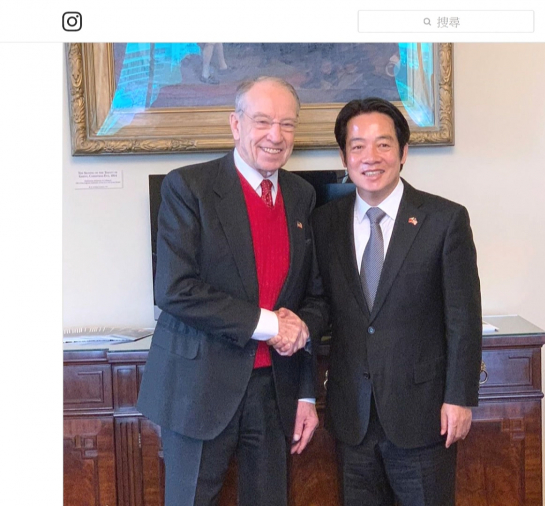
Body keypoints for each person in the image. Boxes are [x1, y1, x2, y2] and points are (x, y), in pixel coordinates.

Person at [136, 76, 327, 506]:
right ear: (236, 125)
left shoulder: (301, 195)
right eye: (263, 121)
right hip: (198, 388)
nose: (276, 135)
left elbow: (313, 298)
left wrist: (306, 389)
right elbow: (175, 289)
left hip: (273, 391)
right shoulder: (189, 187)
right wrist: (270, 325)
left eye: (287, 124)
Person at [311, 97, 482, 506]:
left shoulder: (444, 219)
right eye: (357, 146)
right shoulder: (325, 222)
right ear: (344, 157)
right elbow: (320, 301)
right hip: (352, 417)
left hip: (424, 416)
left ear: (403, 152)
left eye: (383, 144)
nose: (370, 157)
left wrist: (460, 398)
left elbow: (463, 318)